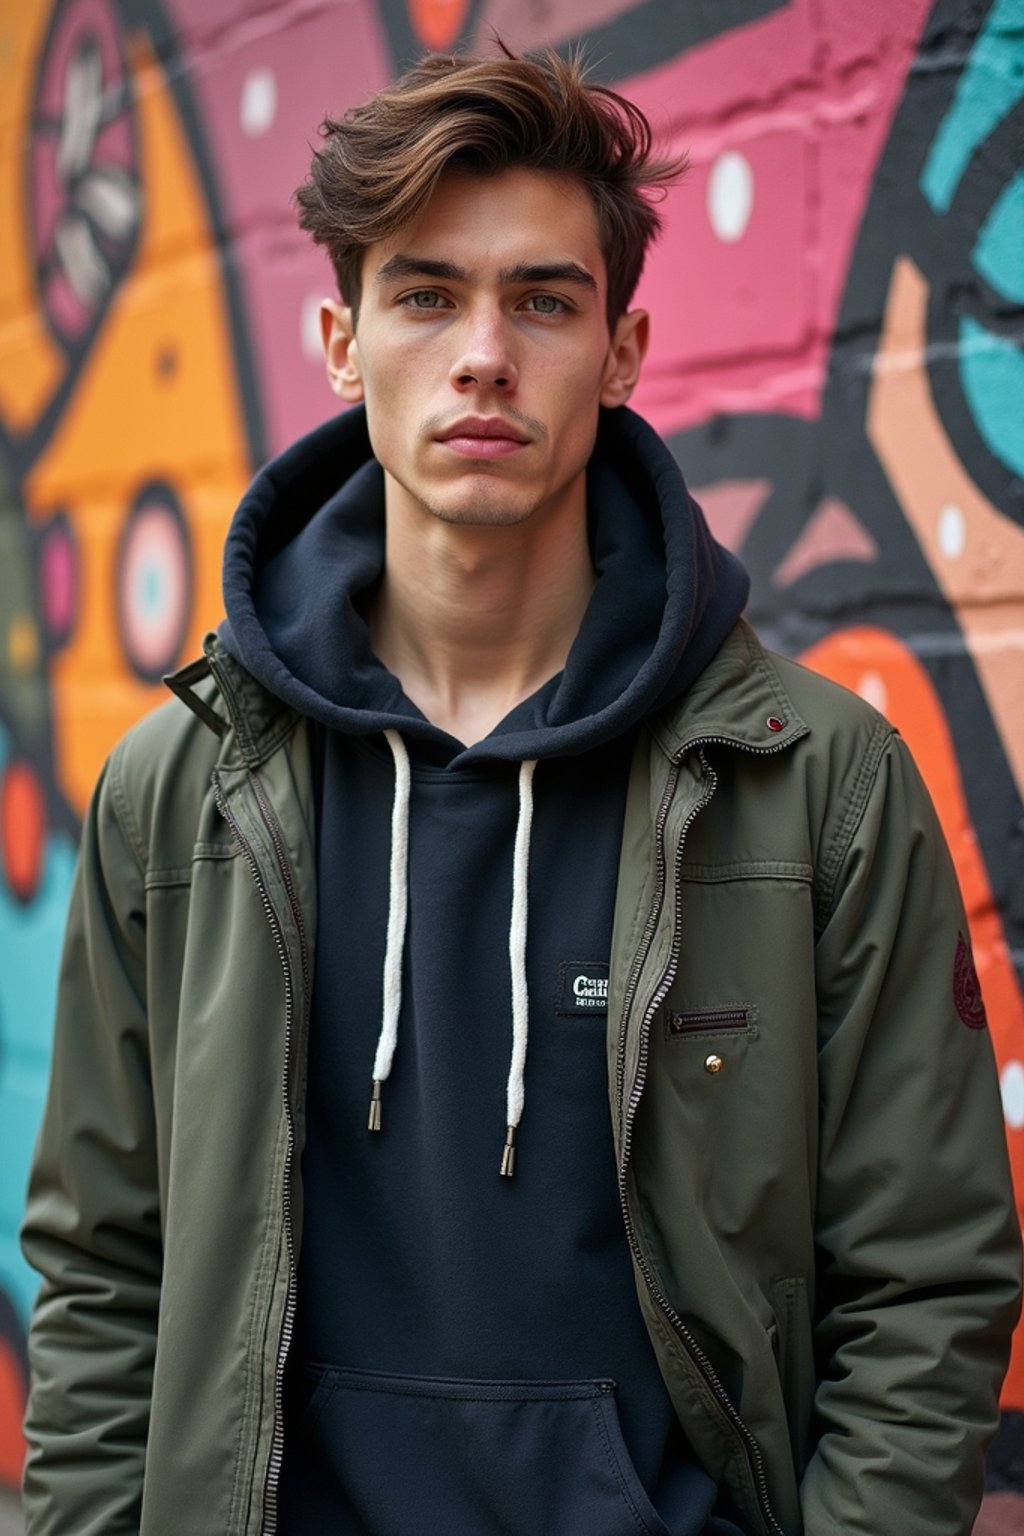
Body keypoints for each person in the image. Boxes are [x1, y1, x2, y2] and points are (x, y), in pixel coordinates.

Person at [20, 45, 1020, 1536]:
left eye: (544, 301)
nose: (484, 352)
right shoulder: (178, 794)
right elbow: (105, 1279)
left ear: (619, 351)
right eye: (425, 294)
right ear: (342, 341)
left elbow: (926, 1279)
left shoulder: (813, 782)